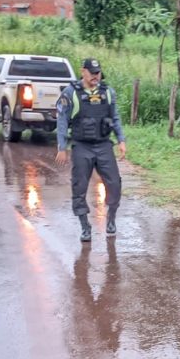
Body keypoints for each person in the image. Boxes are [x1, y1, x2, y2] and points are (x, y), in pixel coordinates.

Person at [55, 58, 127, 242]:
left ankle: (111, 219)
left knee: (115, 184)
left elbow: (115, 117)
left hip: (103, 145)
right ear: (83, 72)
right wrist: (62, 147)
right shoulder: (70, 93)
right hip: (82, 146)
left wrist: (121, 140)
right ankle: (85, 225)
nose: (96, 76)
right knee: (79, 187)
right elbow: (62, 120)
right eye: (92, 72)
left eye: (98, 73)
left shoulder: (107, 92)